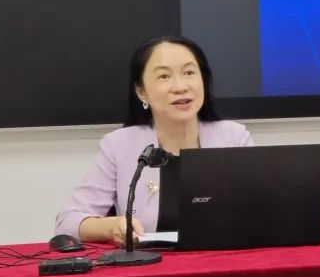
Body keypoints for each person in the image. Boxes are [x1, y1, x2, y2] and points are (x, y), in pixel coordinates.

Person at [55, 35, 253, 244]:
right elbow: (66, 222)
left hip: (225, 259)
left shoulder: (234, 137)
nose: (180, 86)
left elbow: (261, 211)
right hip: (151, 261)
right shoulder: (119, 145)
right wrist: (112, 227)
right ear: (142, 92)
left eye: (189, 73)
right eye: (164, 76)